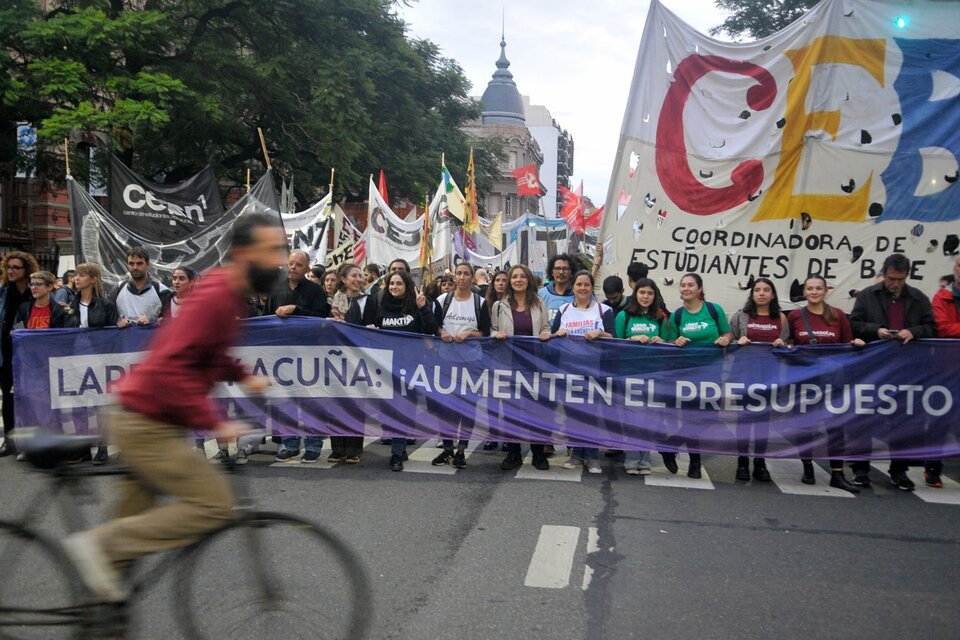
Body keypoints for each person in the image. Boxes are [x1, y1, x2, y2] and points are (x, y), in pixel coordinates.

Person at [61, 212, 284, 603]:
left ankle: (100, 614)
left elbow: (205, 353)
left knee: (121, 556)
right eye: (271, 252)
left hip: (147, 415)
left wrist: (243, 375)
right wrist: (216, 423)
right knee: (215, 505)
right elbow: (177, 366)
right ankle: (100, 546)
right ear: (243, 252)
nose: (277, 261)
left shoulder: (224, 292)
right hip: (147, 421)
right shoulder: (217, 295)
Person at [848, 254, 937, 491]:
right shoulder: (868, 295)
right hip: (873, 368)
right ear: (884, 273)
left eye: (900, 279)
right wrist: (876, 331)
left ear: (906, 276)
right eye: (891, 278)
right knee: (865, 419)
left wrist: (914, 332)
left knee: (901, 422)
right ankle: (861, 470)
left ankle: (899, 471)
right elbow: (854, 324)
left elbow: (932, 327)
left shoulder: (919, 298)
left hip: (906, 369)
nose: (895, 283)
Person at [352, 270, 438, 471]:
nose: (394, 287)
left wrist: (423, 307)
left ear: (407, 286)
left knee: (404, 410)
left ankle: (396, 454)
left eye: (399, 284)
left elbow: (431, 328)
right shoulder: (380, 307)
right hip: (386, 368)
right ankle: (400, 446)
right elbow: (369, 329)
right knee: (386, 411)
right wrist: (372, 329)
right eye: (391, 284)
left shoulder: (415, 306)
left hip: (410, 367)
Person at [787, 274, 864, 494]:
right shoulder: (795, 316)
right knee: (806, 425)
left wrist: (855, 343)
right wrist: (788, 345)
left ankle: (837, 473)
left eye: (818, 288)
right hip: (805, 380)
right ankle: (808, 466)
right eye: (809, 288)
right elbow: (790, 342)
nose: (813, 292)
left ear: (825, 291)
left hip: (833, 380)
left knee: (836, 426)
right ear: (804, 292)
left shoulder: (838, 315)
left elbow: (846, 344)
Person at [664, 273, 732, 478]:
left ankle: (671, 444)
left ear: (699, 289)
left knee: (710, 416)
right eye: (682, 285)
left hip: (712, 373)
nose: (685, 288)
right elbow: (669, 343)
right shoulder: (676, 316)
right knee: (691, 417)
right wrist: (676, 341)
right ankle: (695, 462)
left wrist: (725, 339)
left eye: (690, 285)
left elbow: (727, 333)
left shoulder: (714, 310)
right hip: (687, 373)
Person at [51, 262, 120, 465]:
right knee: (78, 405)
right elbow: (57, 331)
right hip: (74, 361)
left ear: (93, 279)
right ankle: (82, 449)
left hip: (98, 361)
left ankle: (102, 446)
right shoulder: (67, 306)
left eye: (81, 275)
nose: (76, 278)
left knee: (99, 405)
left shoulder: (106, 305)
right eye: (75, 275)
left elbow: (113, 333)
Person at [266, 250, 331, 463]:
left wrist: (296, 310)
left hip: (310, 354)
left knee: (311, 402)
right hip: (282, 356)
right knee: (286, 402)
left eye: (298, 265)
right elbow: (265, 319)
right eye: (290, 263)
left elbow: (322, 319)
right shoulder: (276, 289)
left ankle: (313, 445)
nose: (293, 267)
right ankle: (290, 444)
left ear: (306, 269)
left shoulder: (315, 291)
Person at [551, 270, 615, 474]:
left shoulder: (604, 310)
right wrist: (558, 334)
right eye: (579, 284)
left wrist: (601, 333)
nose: (582, 288)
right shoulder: (564, 309)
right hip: (569, 371)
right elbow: (552, 337)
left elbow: (614, 339)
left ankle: (593, 457)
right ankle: (577, 454)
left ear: (591, 287)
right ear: (573, 287)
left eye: (586, 284)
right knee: (573, 414)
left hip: (595, 371)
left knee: (593, 414)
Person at [491, 264, 553, 470]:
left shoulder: (539, 303)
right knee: (511, 410)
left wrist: (546, 333)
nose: (518, 280)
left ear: (529, 280)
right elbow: (492, 329)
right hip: (508, 365)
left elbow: (546, 327)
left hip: (534, 366)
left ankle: (538, 453)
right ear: (509, 281)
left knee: (536, 410)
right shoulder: (499, 306)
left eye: (522, 277)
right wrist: (495, 335)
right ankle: (514, 453)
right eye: (514, 277)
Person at [728, 277, 789, 482]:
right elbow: (729, 342)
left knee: (764, 421)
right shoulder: (740, 316)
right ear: (752, 294)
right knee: (744, 420)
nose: (761, 293)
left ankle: (760, 463)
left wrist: (783, 343)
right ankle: (742, 462)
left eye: (766, 290)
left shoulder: (780, 318)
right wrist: (738, 341)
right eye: (757, 290)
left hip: (769, 375)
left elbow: (789, 346)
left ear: (772, 294)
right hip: (744, 374)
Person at [430, 262, 491, 469]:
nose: (462, 277)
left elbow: (485, 332)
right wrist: (442, 333)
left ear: (472, 278)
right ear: (454, 277)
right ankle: (447, 448)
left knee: (468, 407)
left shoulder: (480, 303)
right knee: (444, 407)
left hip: (471, 362)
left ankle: (461, 450)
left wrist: (469, 333)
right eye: (459, 273)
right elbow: (433, 326)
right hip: (446, 361)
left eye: (466, 274)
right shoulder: (442, 301)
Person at [613, 278, 669, 475]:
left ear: (655, 296)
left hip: (654, 374)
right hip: (629, 375)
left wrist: (662, 341)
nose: (646, 296)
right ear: (635, 294)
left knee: (649, 419)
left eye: (650, 293)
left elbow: (670, 347)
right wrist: (631, 339)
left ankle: (645, 460)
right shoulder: (623, 316)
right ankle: (631, 459)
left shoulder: (661, 317)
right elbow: (614, 345)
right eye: (642, 292)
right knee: (631, 418)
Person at [327, 263, 367, 464]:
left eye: (360, 276)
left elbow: (371, 323)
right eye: (354, 275)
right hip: (336, 356)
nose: (358, 279)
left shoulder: (367, 300)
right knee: (336, 402)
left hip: (358, 358)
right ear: (343, 279)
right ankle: (337, 448)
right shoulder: (334, 301)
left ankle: (353, 448)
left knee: (355, 403)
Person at [0, 251, 39, 457]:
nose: (11, 271)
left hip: (32, 355)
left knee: (32, 397)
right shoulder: (4, 292)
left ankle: (32, 441)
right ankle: (10, 440)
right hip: (7, 353)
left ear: (27, 271)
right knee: (9, 397)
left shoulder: (35, 292)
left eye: (16, 267)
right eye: (9, 267)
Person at [930, 255, 960, 488]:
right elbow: (942, 328)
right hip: (948, 368)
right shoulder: (943, 297)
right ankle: (933, 469)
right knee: (940, 421)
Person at [111, 247, 171, 328]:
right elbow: (108, 319)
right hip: (123, 339)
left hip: (151, 339)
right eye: (131, 263)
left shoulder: (161, 290)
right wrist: (117, 322)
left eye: (139, 263)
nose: (135, 267)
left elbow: (169, 322)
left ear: (148, 264)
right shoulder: (118, 288)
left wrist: (151, 322)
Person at [538, 253, 578, 322]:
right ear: (552, 272)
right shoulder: (541, 293)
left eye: (565, 269)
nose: (561, 272)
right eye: (557, 268)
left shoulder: (580, 293)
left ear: (571, 272)